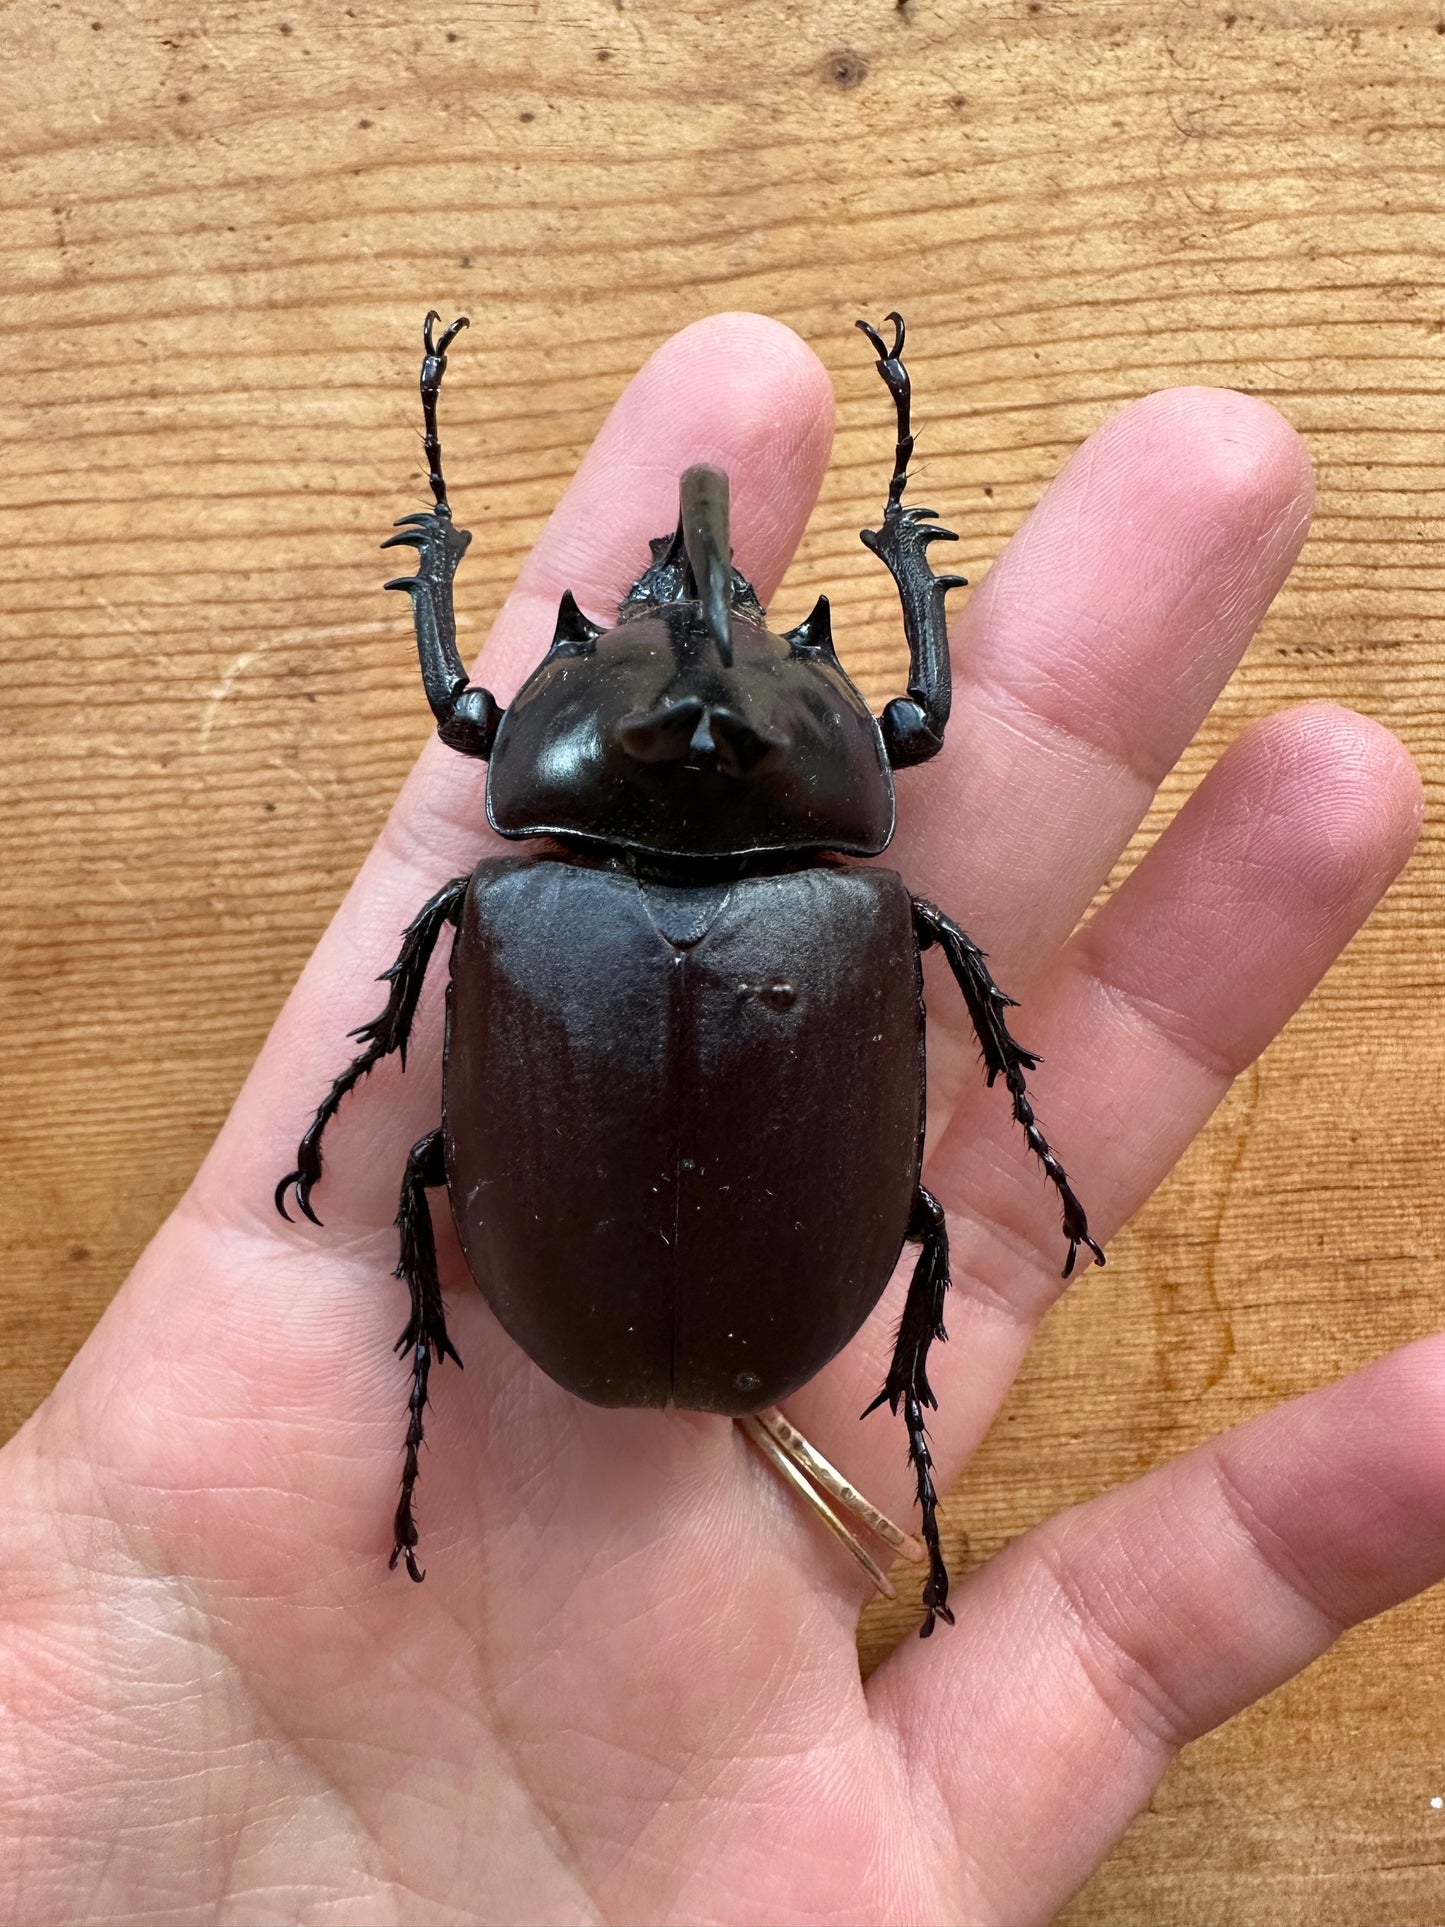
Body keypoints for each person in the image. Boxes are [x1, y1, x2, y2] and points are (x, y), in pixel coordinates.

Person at [0, 312, 1433, 1926]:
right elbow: (923, 747)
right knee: (918, 1211)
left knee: (417, 1160)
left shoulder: (502, 903)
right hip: (758, 1292)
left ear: (536, 733)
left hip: (632, 1278)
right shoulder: (865, 917)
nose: (697, 618)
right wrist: (904, 566)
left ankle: (454, 1392)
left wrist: (437, 572)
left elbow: (465, 749)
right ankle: (883, 1426)